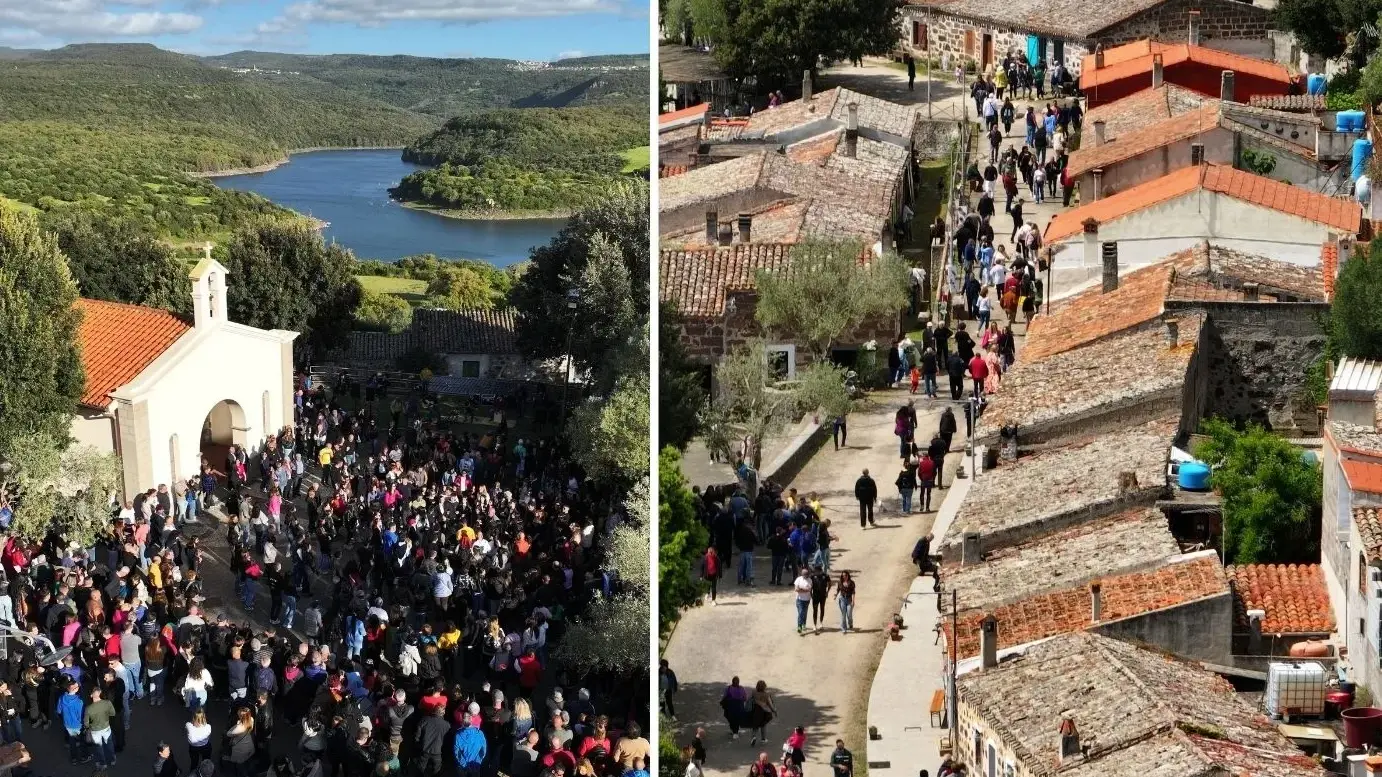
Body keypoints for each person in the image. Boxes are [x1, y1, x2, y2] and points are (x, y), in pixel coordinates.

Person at [747, 682, 776, 747]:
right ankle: (763, 739)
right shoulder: (766, 695)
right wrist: (774, 711)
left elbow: (750, 699)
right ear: (764, 687)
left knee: (755, 725)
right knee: (763, 725)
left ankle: (754, 737)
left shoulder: (754, 693)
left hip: (755, 712)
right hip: (764, 713)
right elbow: (770, 705)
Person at [808, 566, 831, 632]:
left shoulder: (825, 575)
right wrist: (811, 593)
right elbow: (810, 585)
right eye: (816, 571)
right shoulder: (812, 576)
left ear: (821, 570)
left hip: (823, 595)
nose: (817, 572)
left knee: (822, 608)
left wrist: (827, 592)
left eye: (818, 571)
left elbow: (830, 584)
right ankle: (814, 625)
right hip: (815, 595)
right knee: (815, 610)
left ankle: (821, 623)